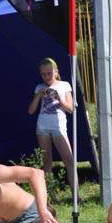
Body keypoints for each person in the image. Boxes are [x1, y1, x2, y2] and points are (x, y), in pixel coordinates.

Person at [28, 57, 80, 199]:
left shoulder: (64, 85)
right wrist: (38, 96)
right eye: (43, 74)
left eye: (49, 73)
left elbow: (71, 109)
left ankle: (76, 195)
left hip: (58, 127)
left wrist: (59, 98)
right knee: (47, 162)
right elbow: (31, 111)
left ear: (56, 72)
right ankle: (52, 195)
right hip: (42, 127)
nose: (46, 77)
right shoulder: (39, 87)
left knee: (69, 160)